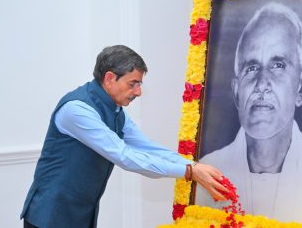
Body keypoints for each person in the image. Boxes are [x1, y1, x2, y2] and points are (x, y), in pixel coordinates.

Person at [20, 45, 228, 228]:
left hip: (82, 212)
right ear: (109, 78)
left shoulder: (116, 110)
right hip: (50, 215)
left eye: (140, 84)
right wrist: (189, 171)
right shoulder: (77, 109)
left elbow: (146, 147)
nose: (138, 92)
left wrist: (192, 166)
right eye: (133, 84)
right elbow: (125, 156)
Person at [196, 3, 302, 222]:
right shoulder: (208, 170)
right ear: (236, 92)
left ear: (301, 86)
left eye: (278, 65)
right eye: (251, 68)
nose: (262, 84)